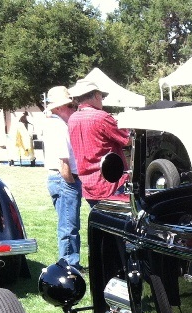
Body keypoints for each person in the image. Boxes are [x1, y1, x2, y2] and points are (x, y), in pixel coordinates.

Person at [68, 77, 130, 201]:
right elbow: (128, 140)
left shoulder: (72, 119)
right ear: (96, 95)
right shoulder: (102, 117)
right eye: (102, 96)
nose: (102, 100)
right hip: (110, 184)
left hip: (88, 184)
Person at [43, 85, 83, 269]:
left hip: (61, 178)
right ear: (59, 108)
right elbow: (63, 161)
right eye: (69, 106)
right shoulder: (58, 126)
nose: (73, 109)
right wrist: (70, 181)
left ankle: (71, 263)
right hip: (63, 178)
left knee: (69, 225)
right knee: (68, 226)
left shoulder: (56, 124)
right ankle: (69, 265)